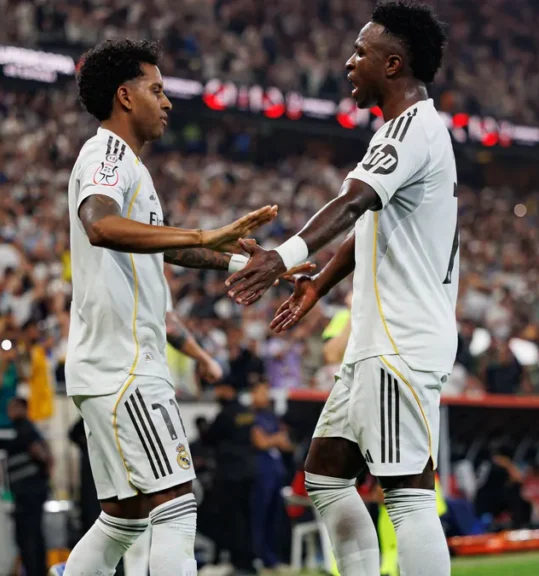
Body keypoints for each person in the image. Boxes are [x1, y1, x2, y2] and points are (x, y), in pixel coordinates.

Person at [226, 2, 455, 573]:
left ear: (394, 64)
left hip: (399, 343)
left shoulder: (410, 129)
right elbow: (370, 224)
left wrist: (284, 256)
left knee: (407, 495)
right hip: (376, 346)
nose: (349, 62)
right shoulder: (413, 130)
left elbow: (353, 201)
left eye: (362, 52)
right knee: (325, 479)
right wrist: (318, 285)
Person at [59, 38, 282, 576]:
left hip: (110, 365)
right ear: (125, 96)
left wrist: (235, 260)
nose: (168, 101)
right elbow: (101, 224)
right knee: (176, 505)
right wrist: (208, 231)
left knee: (125, 516)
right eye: (156, 89)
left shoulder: (131, 166)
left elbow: (166, 245)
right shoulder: (107, 154)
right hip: (125, 365)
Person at [205, 382, 257, 574]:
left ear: (229, 389)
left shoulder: (225, 414)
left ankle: (233, 559)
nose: (217, 392)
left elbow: (209, 438)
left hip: (228, 474)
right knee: (245, 517)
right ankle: (247, 559)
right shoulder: (246, 411)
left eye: (220, 388)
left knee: (228, 518)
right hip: (247, 471)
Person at [5, 397, 52, 576]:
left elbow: (40, 452)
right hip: (33, 490)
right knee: (35, 535)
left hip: (28, 492)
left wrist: (46, 468)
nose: (10, 412)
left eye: (13, 408)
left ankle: (35, 571)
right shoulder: (29, 428)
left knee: (27, 537)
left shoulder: (22, 428)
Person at [249, 381, 292, 571]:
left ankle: (271, 557)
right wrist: (274, 440)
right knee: (259, 515)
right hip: (261, 472)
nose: (265, 396)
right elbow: (260, 442)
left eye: (267, 392)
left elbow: (287, 443)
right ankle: (256, 556)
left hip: (276, 471)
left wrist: (273, 440)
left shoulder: (271, 416)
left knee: (275, 517)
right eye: (261, 392)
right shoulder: (250, 416)